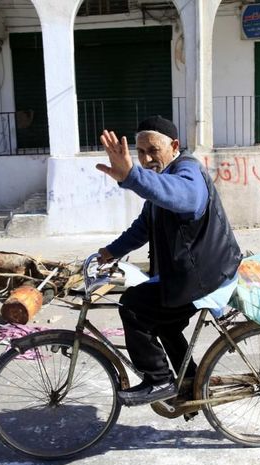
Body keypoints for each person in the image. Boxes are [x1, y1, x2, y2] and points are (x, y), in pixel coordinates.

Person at [95, 116, 242, 407]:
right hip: (190, 273)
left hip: (205, 275)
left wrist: (132, 176)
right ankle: (189, 384)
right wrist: (109, 252)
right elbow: (144, 227)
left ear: (174, 146)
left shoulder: (188, 171)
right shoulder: (161, 182)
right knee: (164, 323)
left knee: (134, 306)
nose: (147, 158)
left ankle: (159, 380)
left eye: (153, 150)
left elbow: (185, 197)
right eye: (140, 152)